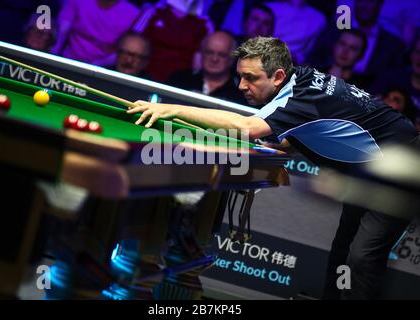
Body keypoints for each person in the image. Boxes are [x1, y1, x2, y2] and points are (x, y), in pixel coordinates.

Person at [126, 36, 419, 299]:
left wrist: (171, 108)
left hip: (401, 167)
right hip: (371, 168)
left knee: (362, 258)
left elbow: (246, 126)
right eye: (240, 77)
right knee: (343, 252)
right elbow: (323, 123)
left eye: (250, 78)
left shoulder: (299, 96)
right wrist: (286, 144)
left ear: (278, 75)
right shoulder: (301, 80)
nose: (241, 86)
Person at [50, 0, 140, 66]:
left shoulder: (132, 13)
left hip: (103, 69)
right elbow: (62, 31)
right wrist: (53, 58)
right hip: (67, 60)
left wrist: (95, 65)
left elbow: (122, 52)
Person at [167, 31, 246, 105]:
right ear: (201, 53)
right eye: (209, 52)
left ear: (232, 58)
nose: (214, 59)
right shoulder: (179, 80)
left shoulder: (243, 90)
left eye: (222, 55)